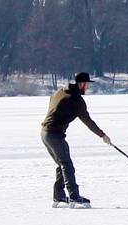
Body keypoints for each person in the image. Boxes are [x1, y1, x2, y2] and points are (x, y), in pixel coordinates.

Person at [41, 72, 111, 208]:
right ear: (81, 84)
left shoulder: (60, 91)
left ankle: (59, 196)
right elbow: (87, 120)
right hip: (54, 134)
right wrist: (102, 135)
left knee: (62, 164)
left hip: (45, 133)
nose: (88, 87)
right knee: (67, 165)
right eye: (87, 84)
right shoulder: (76, 100)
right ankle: (74, 196)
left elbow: (51, 102)